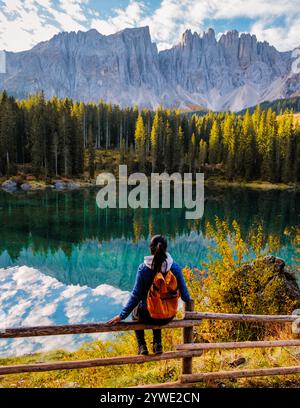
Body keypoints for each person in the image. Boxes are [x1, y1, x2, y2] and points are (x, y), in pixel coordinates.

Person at [107, 235, 192, 355]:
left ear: (150, 249)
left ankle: (142, 346)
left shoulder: (144, 269)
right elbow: (186, 297)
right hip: (167, 316)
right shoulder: (175, 268)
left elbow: (135, 296)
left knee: (136, 311)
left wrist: (121, 316)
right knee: (159, 307)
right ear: (166, 248)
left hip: (147, 315)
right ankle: (158, 344)